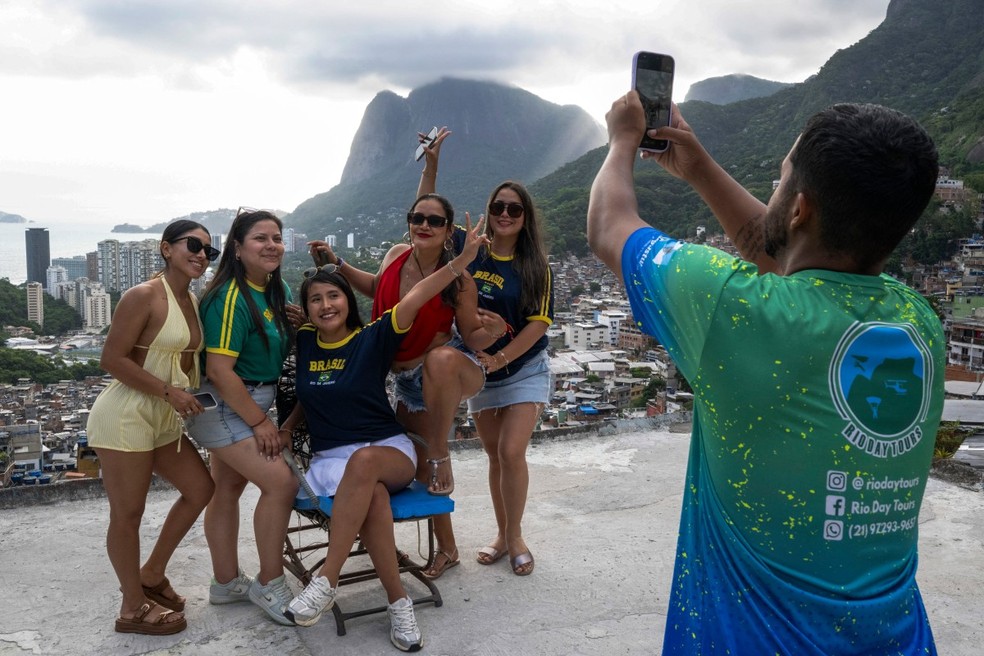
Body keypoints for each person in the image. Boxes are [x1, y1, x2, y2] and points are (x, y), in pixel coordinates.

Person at [587, 92, 942, 654]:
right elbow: (789, 256)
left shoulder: (734, 306)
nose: (773, 194)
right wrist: (699, 168)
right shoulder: (918, 322)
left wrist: (622, 140)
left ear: (799, 208)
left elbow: (609, 225)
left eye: (779, 182)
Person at [280, 216, 488, 650]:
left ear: (347, 301)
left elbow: (416, 295)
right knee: (370, 493)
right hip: (330, 461)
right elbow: (311, 395)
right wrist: (286, 427)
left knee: (368, 463)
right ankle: (400, 604)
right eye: (315, 299)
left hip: (386, 449)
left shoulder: (371, 338)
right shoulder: (304, 341)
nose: (325, 305)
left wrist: (461, 261)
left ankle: (326, 579)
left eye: (333, 294)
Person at [308, 148, 500, 579]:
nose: (425, 226)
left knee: (438, 383)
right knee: (416, 465)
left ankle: (442, 463)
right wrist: (338, 264)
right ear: (409, 225)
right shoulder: (396, 254)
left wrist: (494, 332)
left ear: (449, 230)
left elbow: (471, 336)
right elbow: (377, 286)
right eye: (418, 220)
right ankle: (445, 547)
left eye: (435, 221)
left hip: (443, 375)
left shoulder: (460, 278)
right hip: (402, 381)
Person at [417, 139, 553, 576]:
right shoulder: (468, 247)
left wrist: (502, 358)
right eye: (499, 207)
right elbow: (427, 214)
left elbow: (538, 323)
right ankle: (501, 533)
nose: (506, 215)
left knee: (513, 452)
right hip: (480, 369)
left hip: (523, 366)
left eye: (515, 209)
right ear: (490, 210)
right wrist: (432, 165)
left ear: (525, 216)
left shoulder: (536, 266)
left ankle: (515, 537)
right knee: (495, 456)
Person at [87, 220, 219, 635]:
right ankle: (131, 606)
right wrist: (169, 392)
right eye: (193, 245)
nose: (200, 254)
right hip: (127, 415)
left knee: (201, 489)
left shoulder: (191, 300)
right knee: (128, 513)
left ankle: (152, 573)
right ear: (166, 248)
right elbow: (112, 358)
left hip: (162, 415)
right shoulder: (143, 295)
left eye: (208, 251)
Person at [186, 208, 302, 626]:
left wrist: (300, 323)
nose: (271, 245)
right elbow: (219, 369)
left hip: (248, 399)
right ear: (237, 247)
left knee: (226, 489)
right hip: (224, 404)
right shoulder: (230, 296)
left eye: (276, 237)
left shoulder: (276, 289)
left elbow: (276, 345)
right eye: (260, 238)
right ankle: (270, 582)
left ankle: (225, 582)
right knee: (281, 482)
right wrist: (260, 422)